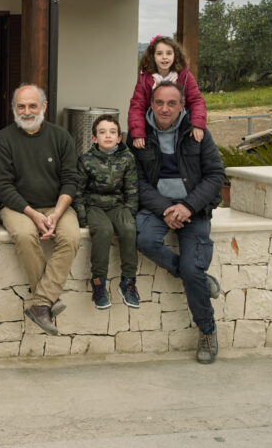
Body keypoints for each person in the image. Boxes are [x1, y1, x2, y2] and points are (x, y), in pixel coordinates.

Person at [128, 82, 224, 364]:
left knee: (192, 266)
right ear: (151, 104)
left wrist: (187, 206)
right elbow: (137, 182)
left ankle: (207, 330)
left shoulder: (198, 134)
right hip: (158, 208)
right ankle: (199, 282)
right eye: (159, 102)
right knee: (144, 239)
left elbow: (216, 175)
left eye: (171, 103)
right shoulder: (138, 136)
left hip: (194, 208)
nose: (165, 108)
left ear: (182, 105)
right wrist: (166, 209)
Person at [0, 83, 78, 336]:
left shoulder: (61, 136)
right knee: (25, 235)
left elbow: (70, 179)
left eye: (32, 105)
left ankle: (41, 302)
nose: (27, 111)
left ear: (44, 107)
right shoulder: (5, 139)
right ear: (13, 109)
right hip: (18, 206)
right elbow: (4, 186)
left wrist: (56, 214)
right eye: (21, 106)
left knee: (71, 237)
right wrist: (33, 214)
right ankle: (49, 300)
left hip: (56, 204)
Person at [72, 114, 140, 310]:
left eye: (112, 132)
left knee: (128, 229)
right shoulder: (86, 160)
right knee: (103, 231)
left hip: (118, 205)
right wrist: (82, 215)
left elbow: (132, 189)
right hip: (94, 206)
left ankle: (128, 282)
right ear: (94, 138)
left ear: (119, 138)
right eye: (102, 132)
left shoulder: (127, 158)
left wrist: (130, 211)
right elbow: (78, 191)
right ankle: (99, 284)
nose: (107, 136)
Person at [128, 35, 206, 149]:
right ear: (153, 56)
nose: (164, 57)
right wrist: (138, 132)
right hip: (154, 127)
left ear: (175, 55)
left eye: (169, 53)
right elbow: (137, 106)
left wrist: (197, 124)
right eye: (159, 53)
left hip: (180, 126)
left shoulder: (185, 76)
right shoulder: (144, 79)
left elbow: (196, 101)